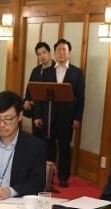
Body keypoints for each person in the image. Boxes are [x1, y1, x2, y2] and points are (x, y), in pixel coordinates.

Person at [40, 38, 84, 188]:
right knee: (48, 147)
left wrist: (77, 118)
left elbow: (81, 98)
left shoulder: (77, 73)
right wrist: (38, 116)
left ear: (69, 53)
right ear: (55, 53)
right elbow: (40, 97)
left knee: (64, 147)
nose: (61, 53)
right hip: (49, 116)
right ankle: (48, 176)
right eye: (58, 50)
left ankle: (63, 177)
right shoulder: (47, 72)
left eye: (64, 50)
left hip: (67, 117)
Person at [23, 42, 53, 142]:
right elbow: (29, 88)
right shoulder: (36, 70)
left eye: (44, 52)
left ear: (49, 53)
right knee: (36, 139)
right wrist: (27, 100)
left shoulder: (56, 69)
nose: (42, 56)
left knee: (49, 141)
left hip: (50, 112)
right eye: (39, 54)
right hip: (36, 110)